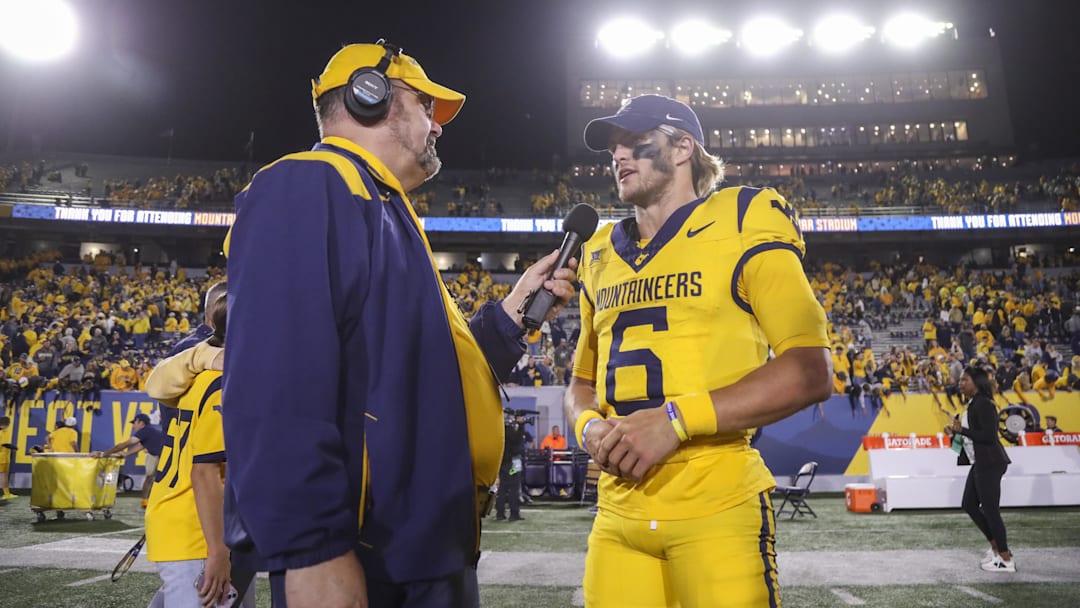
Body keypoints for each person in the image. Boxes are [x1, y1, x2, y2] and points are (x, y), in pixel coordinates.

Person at [223, 41, 577, 608]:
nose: (437, 127)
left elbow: (424, 369)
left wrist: (514, 312)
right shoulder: (311, 183)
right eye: (425, 106)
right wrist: (312, 553)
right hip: (369, 552)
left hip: (419, 548)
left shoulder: (380, 204)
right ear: (372, 96)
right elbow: (274, 380)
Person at [565, 94, 832, 607]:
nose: (618, 156)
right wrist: (590, 428)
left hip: (716, 500)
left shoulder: (743, 216)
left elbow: (809, 369)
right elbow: (580, 383)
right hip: (618, 514)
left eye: (635, 143)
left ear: (684, 147)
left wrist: (675, 420)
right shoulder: (598, 252)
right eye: (611, 148)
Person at [145, 291, 255, 608]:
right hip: (198, 525)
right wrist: (217, 550)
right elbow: (205, 472)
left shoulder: (197, 373)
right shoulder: (222, 384)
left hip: (200, 520)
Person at [946, 365, 1015, 573]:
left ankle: (1005, 558)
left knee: (991, 510)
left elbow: (989, 437)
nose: (961, 383)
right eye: (960, 380)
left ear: (977, 382)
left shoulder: (984, 404)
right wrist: (955, 433)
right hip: (981, 462)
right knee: (969, 504)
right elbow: (970, 435)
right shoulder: (972, 404)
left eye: (965, 380)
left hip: (990, 462)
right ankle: (996, 548)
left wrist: (963, 430)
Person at [90, 412, 165, 508]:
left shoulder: (145, 431)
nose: (133, 426)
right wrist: (126, 454)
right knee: (151, 478)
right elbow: (140, 446)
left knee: (152, 478)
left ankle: (148, 500)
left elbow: (124, 445)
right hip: (161, 455)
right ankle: (146, 501)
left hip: (161, 456)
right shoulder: (150, 431)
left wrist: (104, 454)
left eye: (135, 423)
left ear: (141, 423)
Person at [495, 414, 533, 522]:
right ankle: (514, 514)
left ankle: (500, 513)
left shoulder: (500, 433)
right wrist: (521, 425)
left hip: (503, 463)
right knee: (514, 488)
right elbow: (518, 439)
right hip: (513, 464)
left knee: (502, 489)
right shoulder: (511, 433)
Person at [0, 415, 15, 500]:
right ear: (7, 424)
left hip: (4, 457)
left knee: (4, 475)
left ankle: (7, 493)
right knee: (3, 476)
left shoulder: (4, 432)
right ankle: (6, 494)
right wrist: (11, 446)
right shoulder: (2, 433)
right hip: (2, 458)